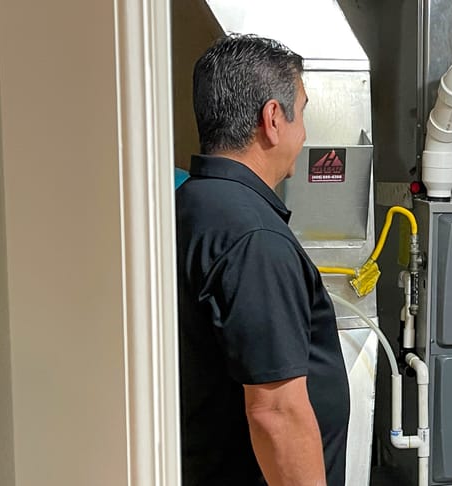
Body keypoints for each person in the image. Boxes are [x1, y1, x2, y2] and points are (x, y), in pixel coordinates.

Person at [176, 34, 349, 486]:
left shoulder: (191, 203)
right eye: (303, 110)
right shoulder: (253, 238)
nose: (305, 132)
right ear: (273, 118)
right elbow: (277, 412)